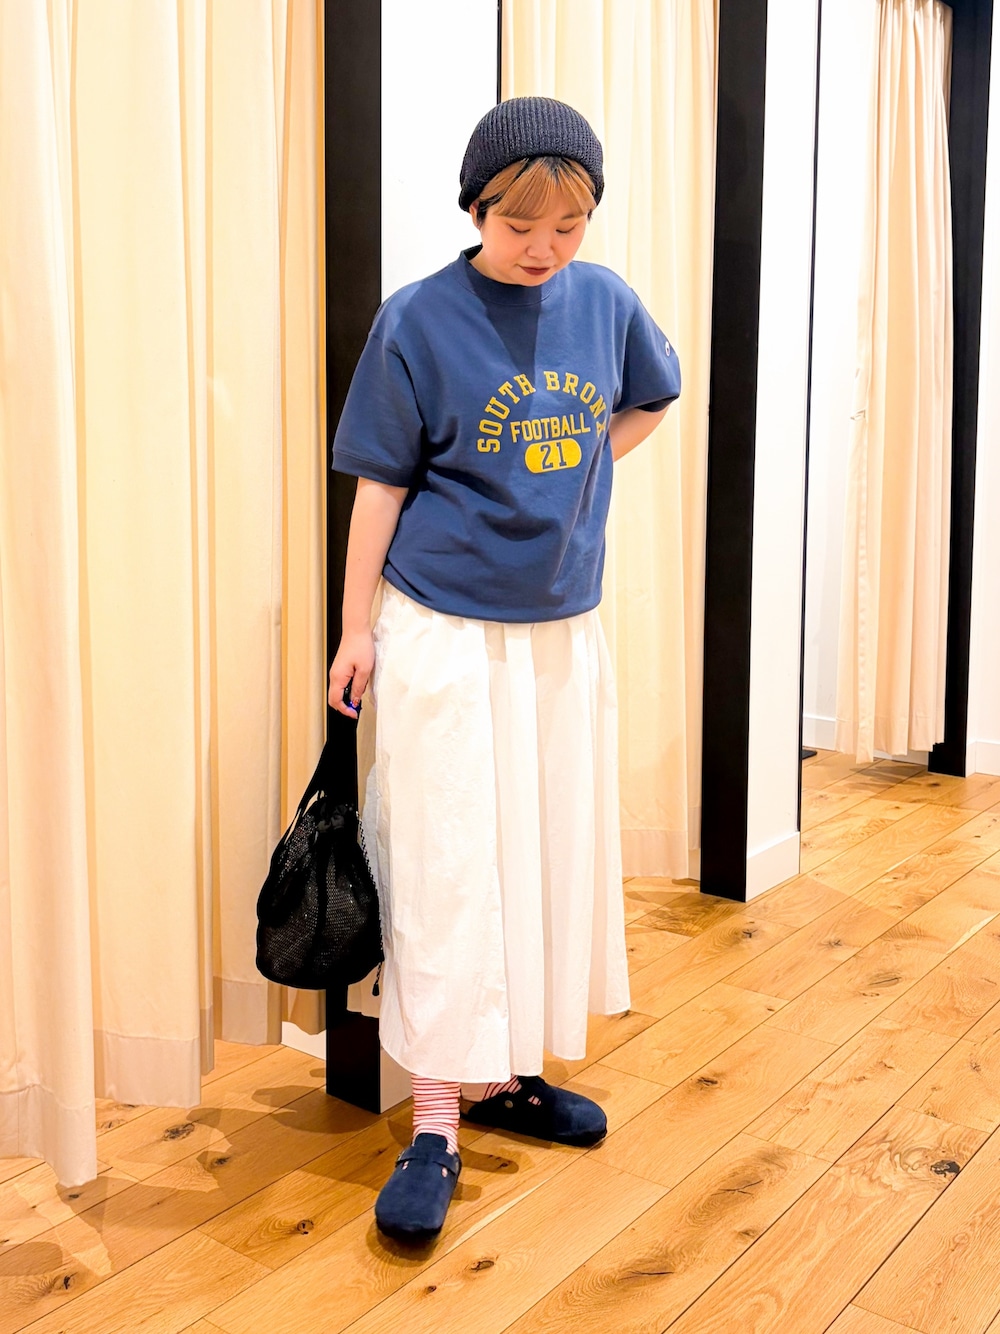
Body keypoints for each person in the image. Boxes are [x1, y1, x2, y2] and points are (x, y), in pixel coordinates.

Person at [328, 95, 681, 1243]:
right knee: (448, 868)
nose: (545, 248)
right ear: (477, 208)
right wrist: (355, 628)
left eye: (568, 225)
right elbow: (379, 482)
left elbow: (648, 398)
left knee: (540, 856)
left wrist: (581, 469)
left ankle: (508, 1075)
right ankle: (435, 1119)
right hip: (441, 623)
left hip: (561, 628)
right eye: (521, 224)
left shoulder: (604, 300)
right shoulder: (419, 317)